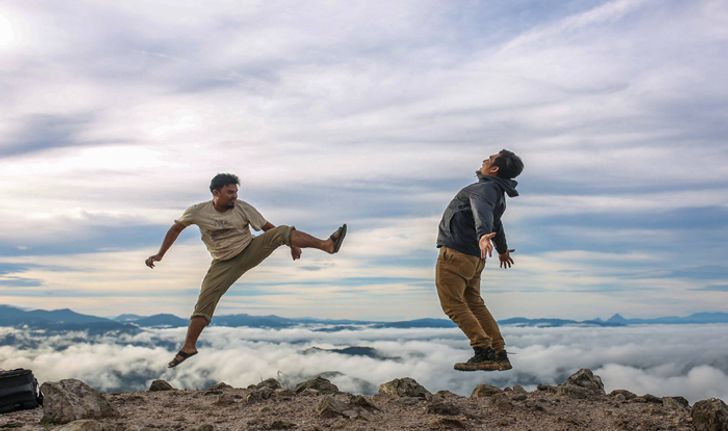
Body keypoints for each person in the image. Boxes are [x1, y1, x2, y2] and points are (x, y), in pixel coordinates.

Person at [145, 173, 347, 368]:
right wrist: (160, 254)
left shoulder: (243, 208)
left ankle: (326, 245)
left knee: (282, 230)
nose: (235, 196)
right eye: (230, 192)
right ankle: (188, 347)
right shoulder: (198, 211)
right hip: (223, 263)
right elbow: (176, 229)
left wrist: (291, 243)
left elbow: (269, 228)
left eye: (236, 192)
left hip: (249, 250)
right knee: (204, 302)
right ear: (216, 192)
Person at [435, 149, 523, 371]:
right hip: (474, 257)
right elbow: (497, 222)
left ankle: (483, 351)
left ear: (494, 169)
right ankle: (499, 353)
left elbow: (481, 210)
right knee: (474, 303)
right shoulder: (496, 192)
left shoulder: (484, 189)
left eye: (490, 159)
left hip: (456, 254)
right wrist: (501, 249)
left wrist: (483, 234)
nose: (484, 159)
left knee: (452, 304)